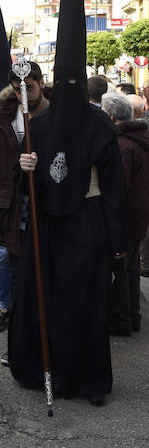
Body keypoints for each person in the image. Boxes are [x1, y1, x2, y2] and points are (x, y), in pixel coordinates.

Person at [10, 0, 128, 406]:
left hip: (84, 227)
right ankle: (45, 368)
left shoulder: (99, 124)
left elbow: (115, 186)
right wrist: (26, 168)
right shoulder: (40, 121)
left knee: (84, 304)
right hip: (49, 227)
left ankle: (89, 380)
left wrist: (114, 239)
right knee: (55, 301)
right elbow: (27, 175)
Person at [0, 64, 49, 332]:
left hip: (43, 199)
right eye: (18, 90)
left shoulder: (56, 115)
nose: (24, 94)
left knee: (39, 256)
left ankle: (34, 309)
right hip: (7, 199)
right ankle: (4, 304)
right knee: (2, 255)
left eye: (30, 87)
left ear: (41, 83)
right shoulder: (0, 120)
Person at [101, 91, 149, 334]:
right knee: (130, 267)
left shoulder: (122, 145)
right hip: (138, 214)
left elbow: (119, 188)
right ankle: (132, 317)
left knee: (121, 268)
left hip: (127, 216)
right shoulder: (139, 137)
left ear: (110, 116)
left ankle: (122, 320)